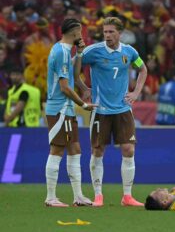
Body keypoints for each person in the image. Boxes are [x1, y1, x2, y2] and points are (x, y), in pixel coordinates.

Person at [75, 17, 147, 207]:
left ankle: (127, 196)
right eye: (105, 32)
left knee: (128, 149)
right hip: (101, 110)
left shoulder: (129, 52)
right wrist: (83, 87)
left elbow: (143, 70)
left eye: (111, 32)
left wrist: (136, 92)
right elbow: (73, 66)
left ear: (120, 33)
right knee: (98, 151)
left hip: (123, 109)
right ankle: (98, 195)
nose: (107, 35)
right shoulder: (94, 51)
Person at [44, 18, 97, 207]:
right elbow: (65, 87)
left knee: (75, 148)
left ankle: (78, 196)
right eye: (80, 32)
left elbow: (74, 76)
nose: (81, 35)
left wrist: (80, 53)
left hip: (66, 109)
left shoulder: (66, 51)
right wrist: (83, 104)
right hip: (59, 108)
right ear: (74, 32)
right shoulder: (60, 52)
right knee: (57, 149)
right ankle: (50, 197)